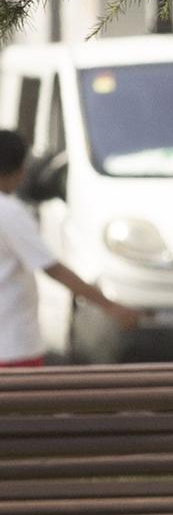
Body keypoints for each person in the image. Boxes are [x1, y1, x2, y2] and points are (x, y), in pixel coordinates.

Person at [0, 129, 142, 366]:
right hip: (12, 344)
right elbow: (52, 268)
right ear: (19, 169)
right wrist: (110, 306)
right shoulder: (9, 212)